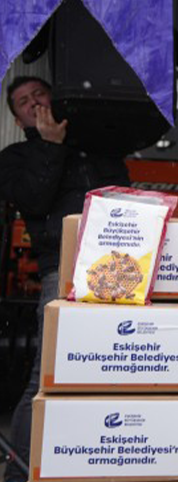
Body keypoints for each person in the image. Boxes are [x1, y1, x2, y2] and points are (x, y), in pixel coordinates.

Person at [0, 76, 130, 481]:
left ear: (54, 96)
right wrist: (50, 147)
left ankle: (91, 460)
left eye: (39, 93)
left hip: (118, 267)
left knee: (114, 367)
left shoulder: (92, 146)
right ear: (18, 117)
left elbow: (122, 189)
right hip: (64, 269)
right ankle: (19, 471)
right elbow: (34, 200)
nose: (34, 103)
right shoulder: (16, 156)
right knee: (48, 374)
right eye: (23, 102)